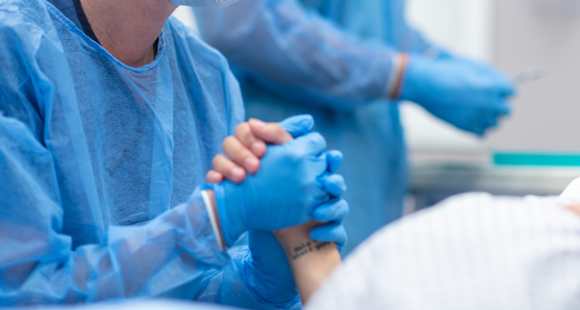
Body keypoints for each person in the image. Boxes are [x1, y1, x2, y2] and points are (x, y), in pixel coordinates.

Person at [0, 0, 349, 307]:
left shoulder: (208, 78)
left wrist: (259, 285)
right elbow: (24, 293)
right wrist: (215, 219)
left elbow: (179, 293)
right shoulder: (12, 52)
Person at [196, 0, 516, 254]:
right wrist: (400, 72)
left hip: (368, 179)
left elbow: (370, 23)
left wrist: (435, 60)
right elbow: (243, 22)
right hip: (283, 157)